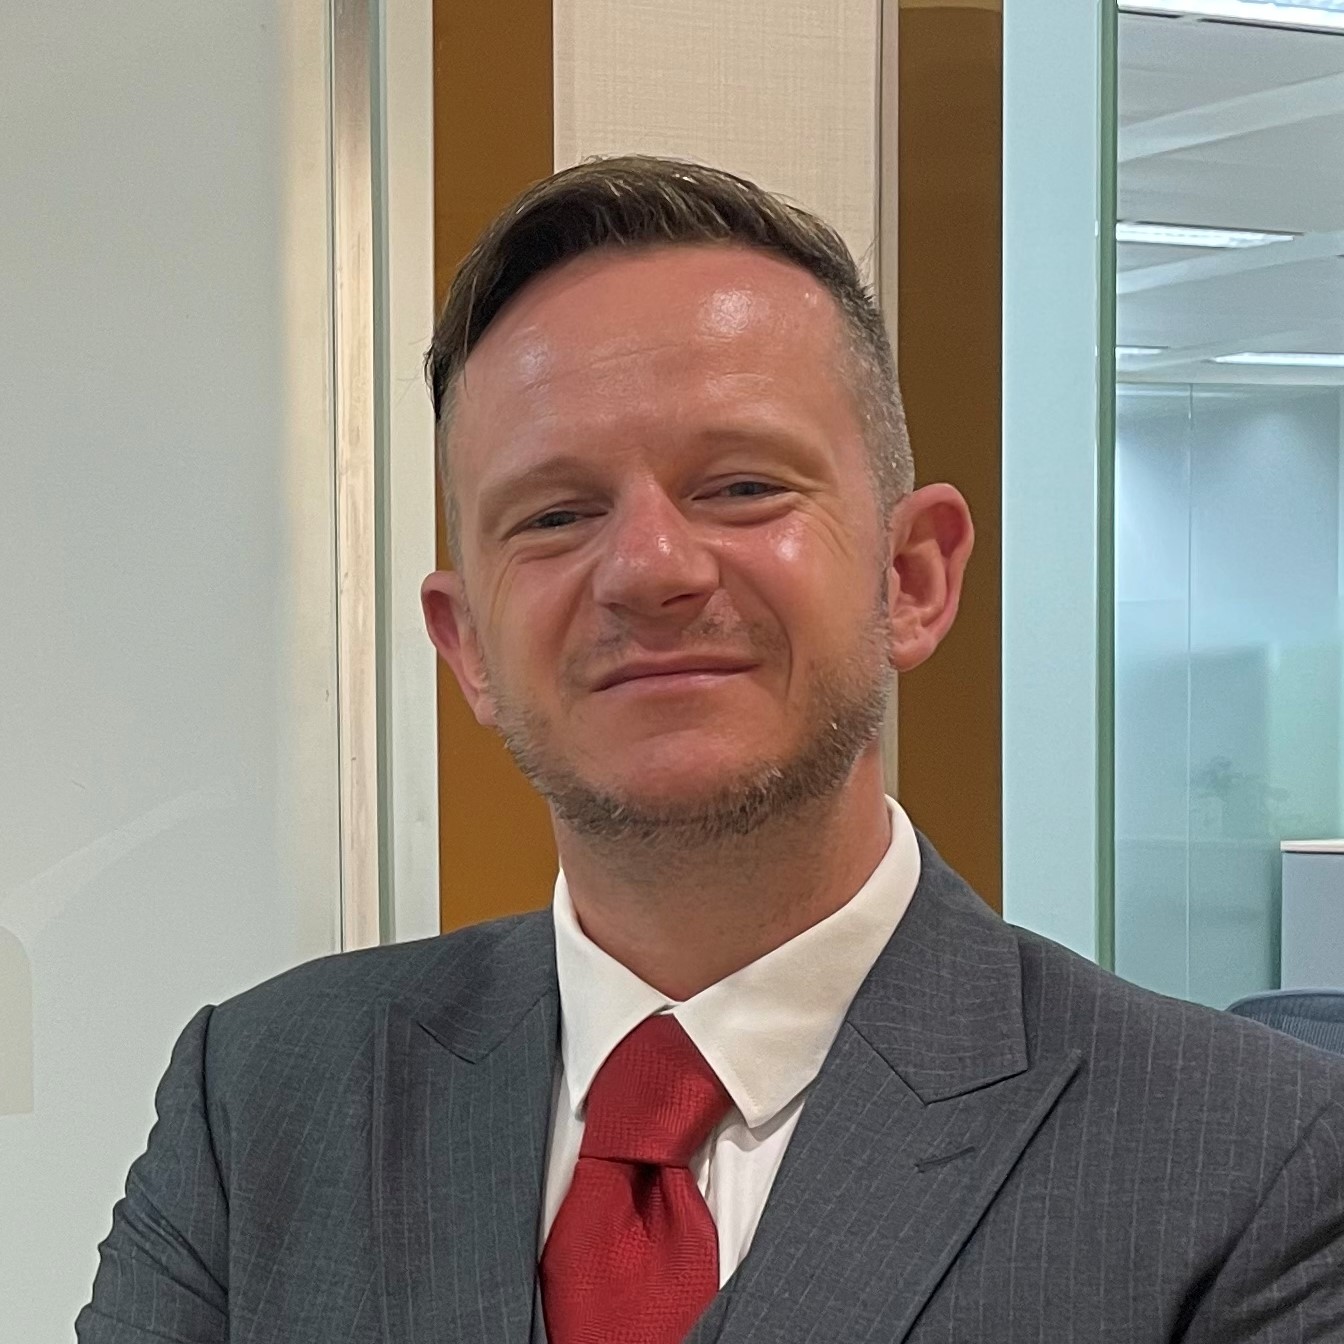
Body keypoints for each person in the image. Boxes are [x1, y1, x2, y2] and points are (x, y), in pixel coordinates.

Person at [80, 156, 1344, 1344]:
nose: (648, 569)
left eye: (741, 487)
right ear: (468, 648)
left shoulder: (1249, 1159)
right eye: (555, 514)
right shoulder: (260, 1098)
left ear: (912, 578)